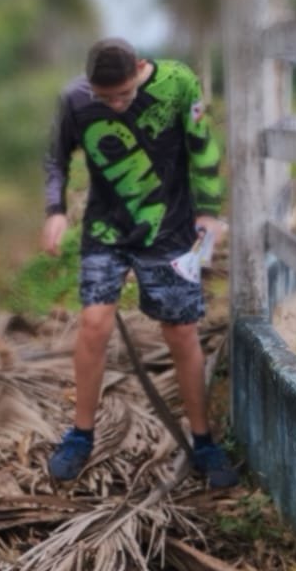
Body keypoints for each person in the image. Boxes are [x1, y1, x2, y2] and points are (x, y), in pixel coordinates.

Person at [40, 37, 238, 488]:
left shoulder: (178, 84)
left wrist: (208, 211)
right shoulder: (73, 99)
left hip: (169, 231)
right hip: (106, 230)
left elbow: (202, 148)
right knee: (93, 323)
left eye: (123, 95)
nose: (113, 105)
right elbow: (55, 158)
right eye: (103, 97)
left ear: (142, 69)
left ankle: (203, 441)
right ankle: (81, 434)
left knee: (181, 331)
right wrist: (55, 211)